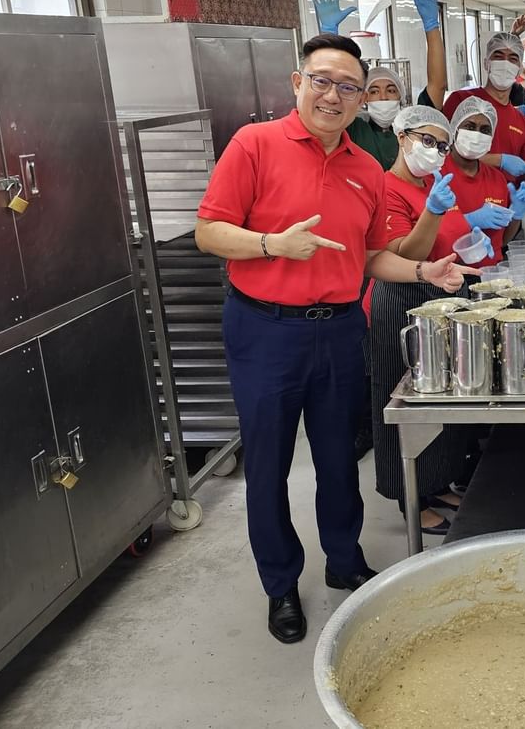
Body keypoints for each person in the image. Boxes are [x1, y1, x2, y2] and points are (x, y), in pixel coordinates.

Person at [195, 34, 477, 645]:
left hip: (342, 327)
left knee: (337, 458)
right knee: (268, 466)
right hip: (265, 329)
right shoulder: (255, 144)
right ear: (297, 83)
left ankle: (344, 560)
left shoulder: (363, 169)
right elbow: (210, 232)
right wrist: (273, 244)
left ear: (359, 100)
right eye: (322, 80)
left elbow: (374, 255)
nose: (334, 94)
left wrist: (425, 270)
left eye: (349, 86)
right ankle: (280, 585)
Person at [369, 100, 521, 536]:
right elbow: (407, 254)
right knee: (408, 397)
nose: (434, 150)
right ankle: (409, 498)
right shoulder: (389, 188)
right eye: (425, 140)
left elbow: (450, 239)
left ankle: (436, 483)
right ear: (401, 138)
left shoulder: (434, 181)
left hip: (447, 293)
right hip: (405, 299)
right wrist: (434, 212)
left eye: (440, 143)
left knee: (448, 394)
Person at [439, 32, 525, 184]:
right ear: (486, 63)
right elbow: (442, 151)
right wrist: (499, 160)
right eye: (498, 56)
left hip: (503, 199)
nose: (505, 63)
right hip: (460, 197)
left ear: (518, 68)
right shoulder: (461, 101)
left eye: (512, 58)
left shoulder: (522, 122)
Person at [346, 66, 405, 168]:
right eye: (374, 92)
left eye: (391, 91)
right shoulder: (355, 128)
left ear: (400, 96)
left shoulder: (411, 130)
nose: (383, 97)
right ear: (364, 98)